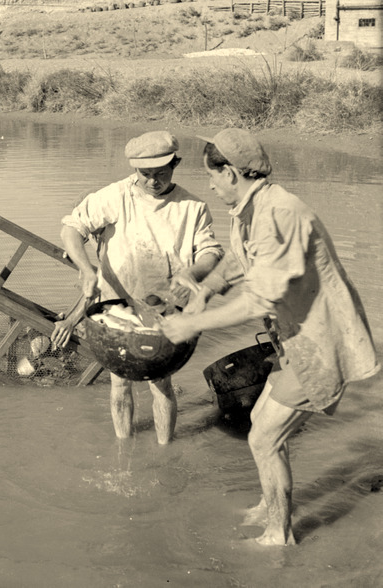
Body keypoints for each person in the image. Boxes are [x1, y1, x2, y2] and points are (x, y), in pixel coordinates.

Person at [161, 128, 379, 545]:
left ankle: (280, 534)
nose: (208, 184)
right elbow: (241, 263)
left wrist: (192, 324)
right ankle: (269, 507)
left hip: (318, 343)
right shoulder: (253, 209)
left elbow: (259, 301)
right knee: (261, 420)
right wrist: (205, 289)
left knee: (264, 437)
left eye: (212, 175)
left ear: (231, 173)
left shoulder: (278, 213)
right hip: (293, 339)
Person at [51, 130, 224, 444]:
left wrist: (191, 274)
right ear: (135, 171)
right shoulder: (115, 196)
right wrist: (86, 268)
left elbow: (211, 253)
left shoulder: (192, 207)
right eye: (145, 175)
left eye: (161, 173)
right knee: (120, 384)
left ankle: (164, 448)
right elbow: (71, 230)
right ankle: (123, 445)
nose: (153, 181)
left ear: (176, 165)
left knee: (162, 384)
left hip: (164, 308)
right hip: (116, 309)